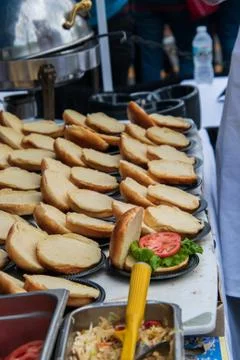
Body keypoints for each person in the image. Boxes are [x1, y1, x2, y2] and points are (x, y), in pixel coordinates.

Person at [132, 0, 198, 82]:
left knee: (150, 59)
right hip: (179, 6)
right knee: (187, 55)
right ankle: (189, 91)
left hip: (145, 6)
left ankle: (151, 93)